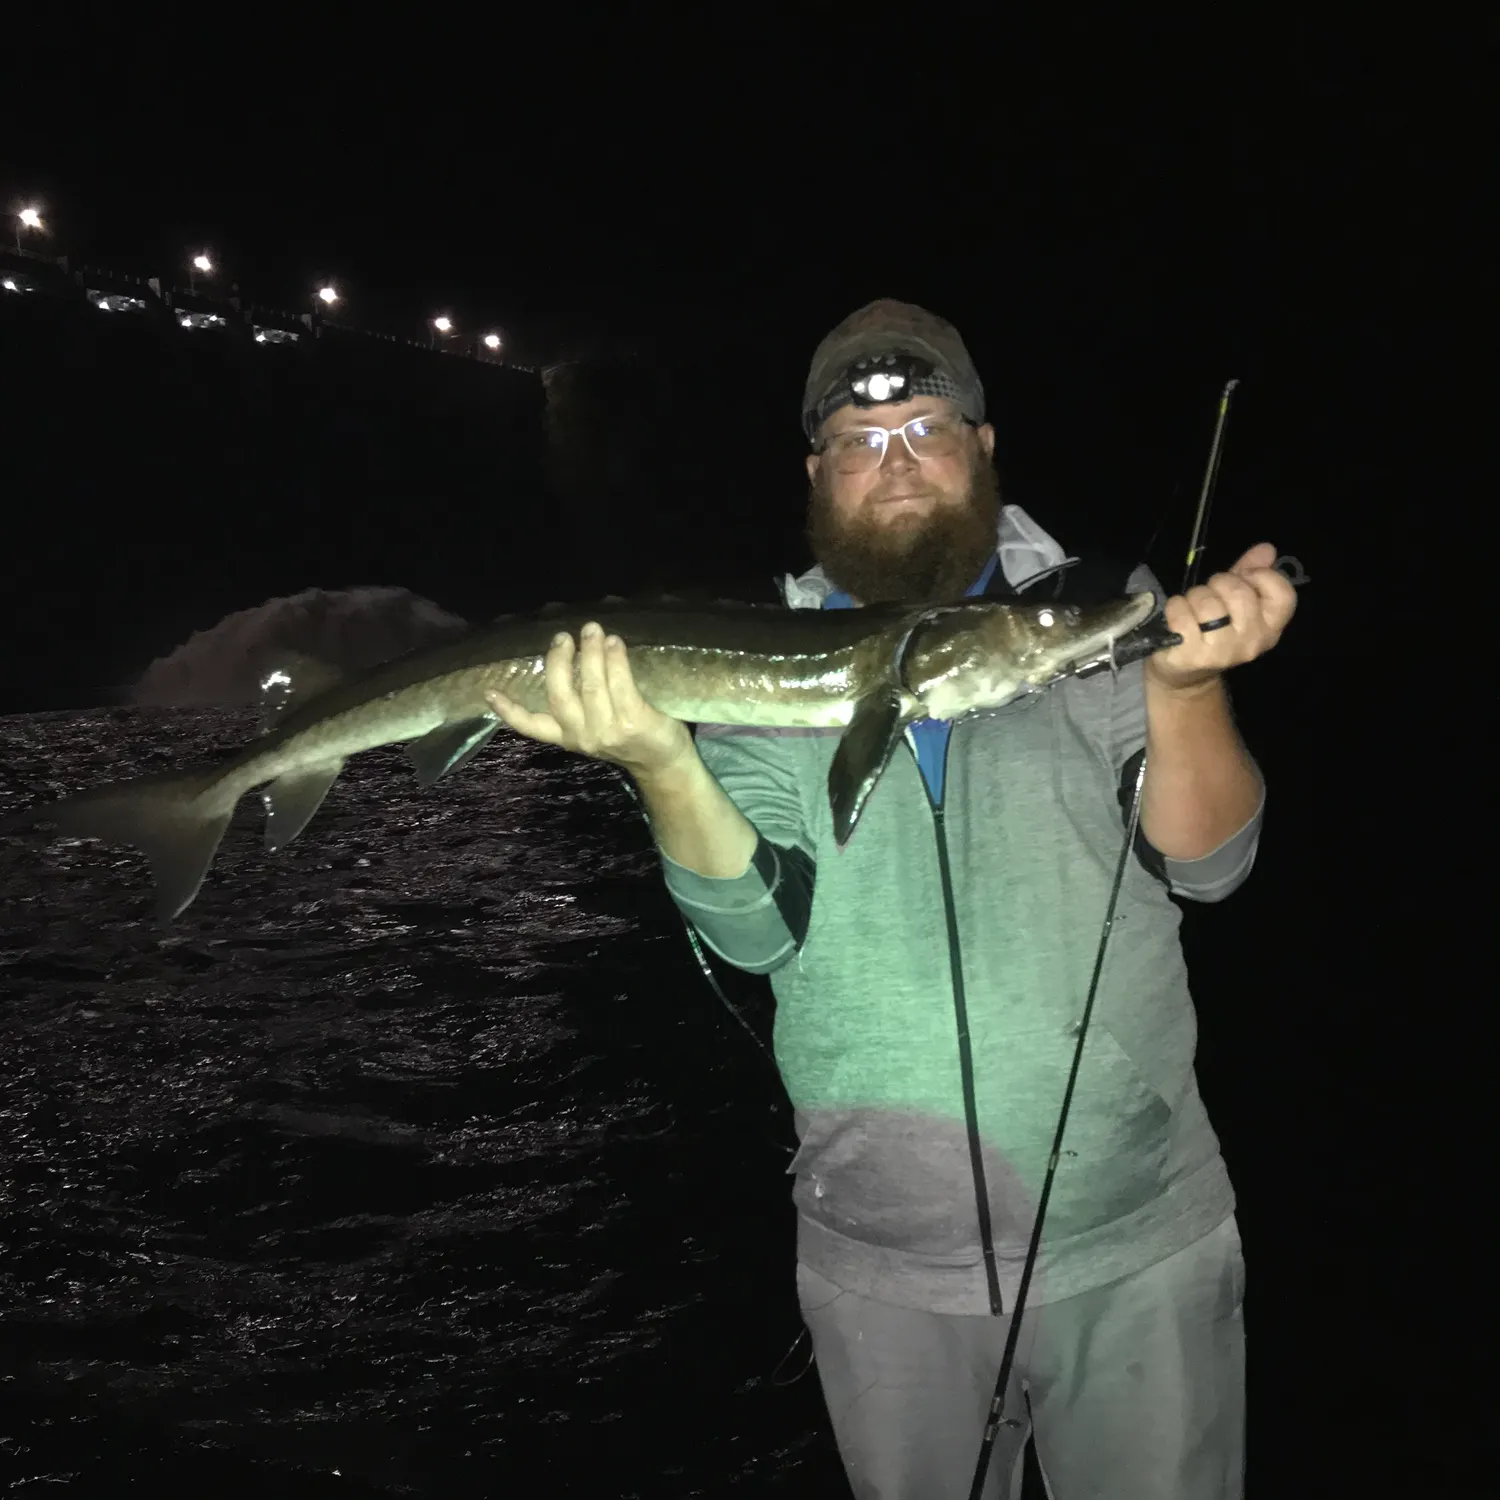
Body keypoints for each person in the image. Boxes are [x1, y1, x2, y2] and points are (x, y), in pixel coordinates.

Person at [485, 299, 1298, 1500]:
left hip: (1135, 1241)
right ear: (818, 476)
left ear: (983, 446)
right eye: (861, 443)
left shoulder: (1095, 610)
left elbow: (1211, 865)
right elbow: (755, 932)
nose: (897, 462)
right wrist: (662, 761)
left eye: (927, 428)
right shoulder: (766, 651)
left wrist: (1183, 691)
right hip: (882, 1268)